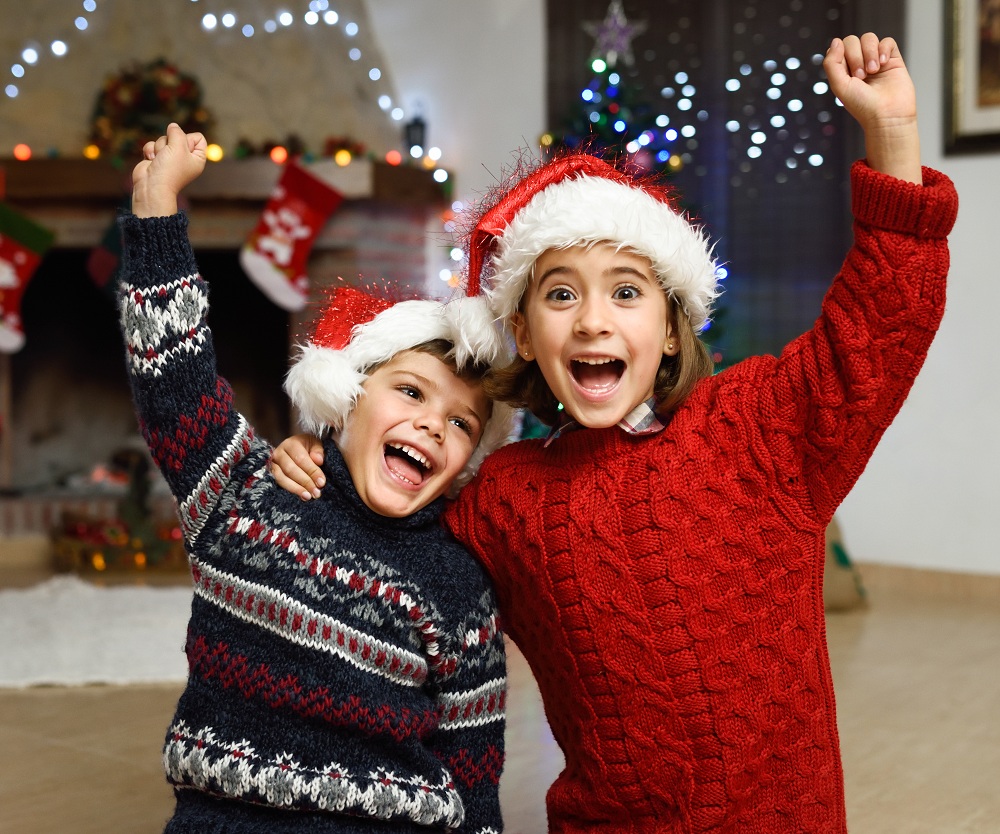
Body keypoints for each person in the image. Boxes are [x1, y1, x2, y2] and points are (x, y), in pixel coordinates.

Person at [270, 34, 958, 833]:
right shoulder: (508, 497)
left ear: (671, 326)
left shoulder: (758, 431)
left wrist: (894, 135)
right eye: (561, 296)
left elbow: (882, 322)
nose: (593, 319)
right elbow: (396, 535)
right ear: (524, 333)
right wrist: (320, 465)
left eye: (625, 292)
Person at [119, 123, 514, 833]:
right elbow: (174, 382)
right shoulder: (247, 495)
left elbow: (473, 761)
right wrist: (156, 218)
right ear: (348, 399)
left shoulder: (457, 582)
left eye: (462, 424)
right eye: (413, 394)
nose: (433, 426)